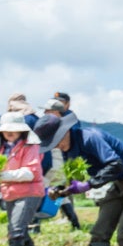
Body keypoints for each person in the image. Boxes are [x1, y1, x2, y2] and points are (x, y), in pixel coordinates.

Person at [33, 113, 123, 246]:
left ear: (66, 131)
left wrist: (89, 184)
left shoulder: (91, 138)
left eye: (57, 141)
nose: (56, 146)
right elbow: (73, 178)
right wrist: (61, 190)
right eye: (52, 144)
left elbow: (116, 165)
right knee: (99, 232)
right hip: (118, 181)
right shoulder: (67, 150)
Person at [0, 112, 46, 246]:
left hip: (29, 192)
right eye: (6, 129)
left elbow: (31, 173)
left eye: (13, 129)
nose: (9, 132)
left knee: (15, 230)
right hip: (9, 193)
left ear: (22, 130)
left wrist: (3, 176)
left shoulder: (31, 146)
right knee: (19, 229)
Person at [40, 98, 82, 230]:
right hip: (57, 161)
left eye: (48, 111)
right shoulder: (64, 122)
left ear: (56, 112)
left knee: (42, 189)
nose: (45, 113)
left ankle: (35, 226)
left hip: (57, 161)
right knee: (59, 193)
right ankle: (75, 223)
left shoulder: (61, 125)